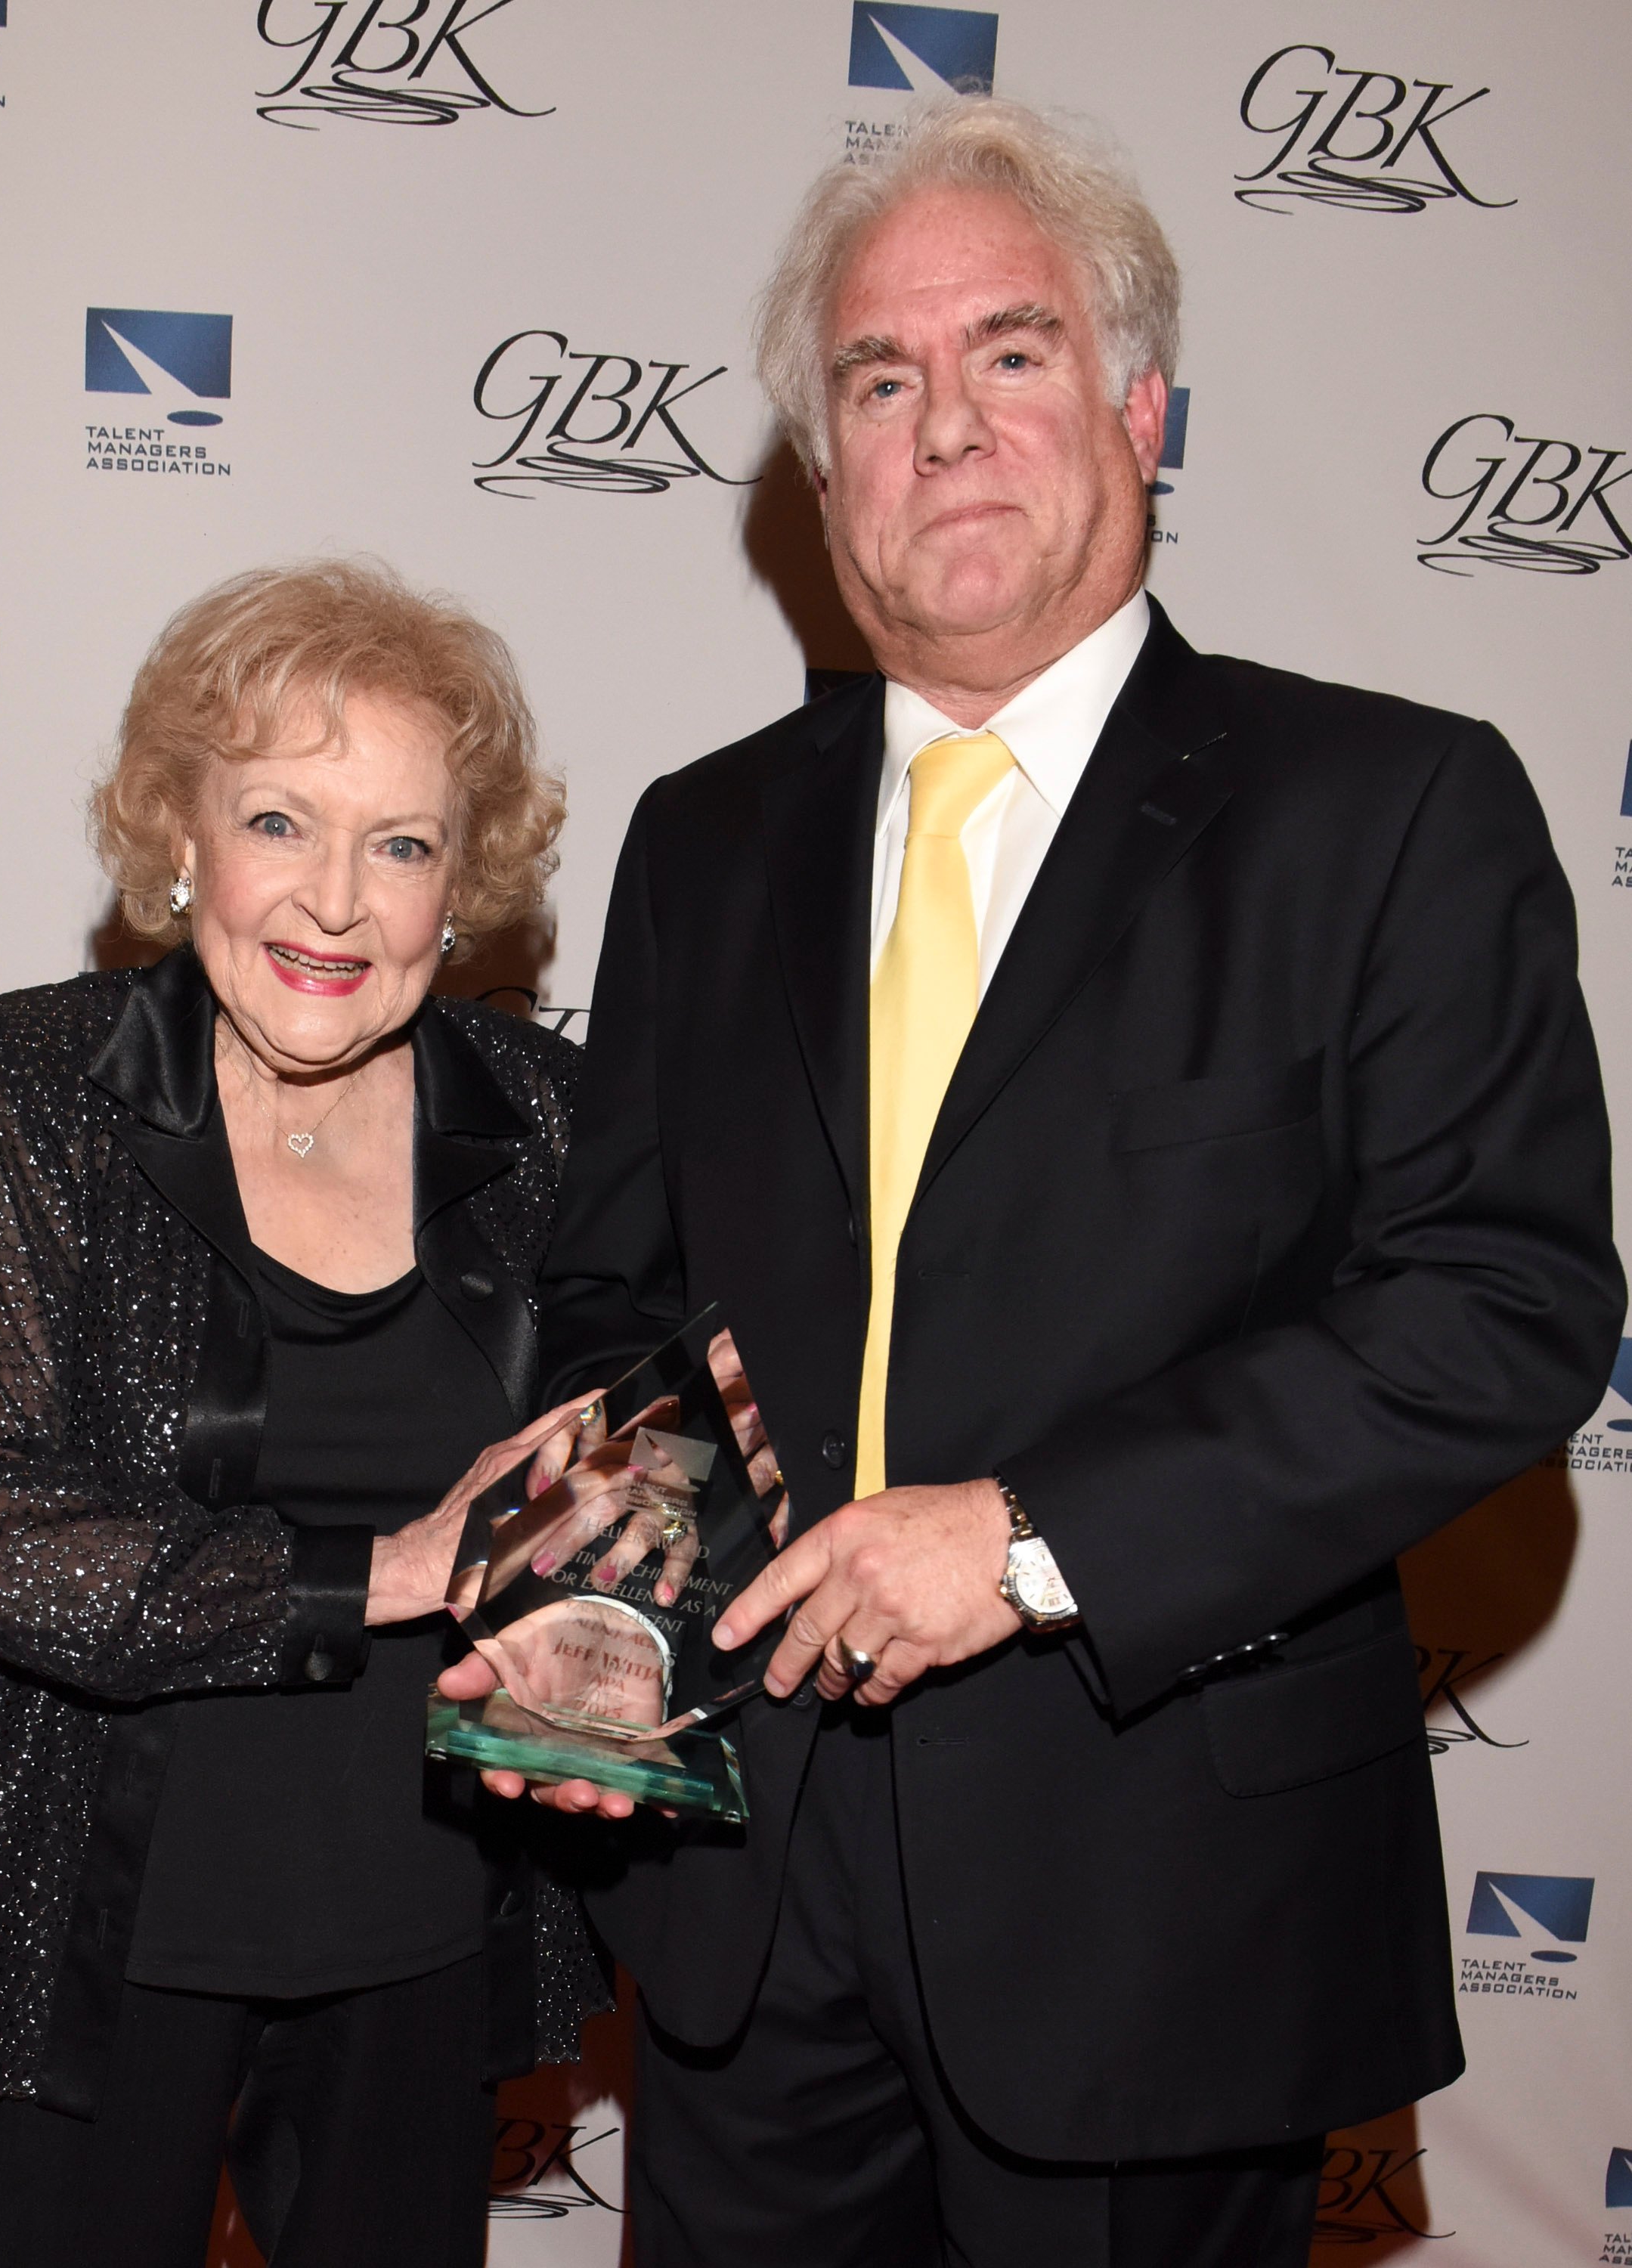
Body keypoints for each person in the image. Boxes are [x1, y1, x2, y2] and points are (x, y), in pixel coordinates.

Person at [441, 98, 1627, 2268]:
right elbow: (621, 1302)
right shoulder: (704, 841)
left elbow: (1498, 1307)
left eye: (1010, 351)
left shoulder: (1385, 810)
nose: (944, 426)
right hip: (738, 1901)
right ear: (825, 477)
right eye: (879, 383)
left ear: (1138, 406)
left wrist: (1040, 1536)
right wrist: (602, 1601)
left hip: (1155, 1901)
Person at [0, 559, 611, 2268]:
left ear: (466, 888)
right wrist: (394, 1567)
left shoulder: (553, 1120)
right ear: (181, 837)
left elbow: (611, 1491)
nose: (338, 903)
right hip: (86, 1936)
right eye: (282, 820)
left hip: (424, 1928)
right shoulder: (30, 1085)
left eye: (404, 844)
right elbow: (2, 1538)